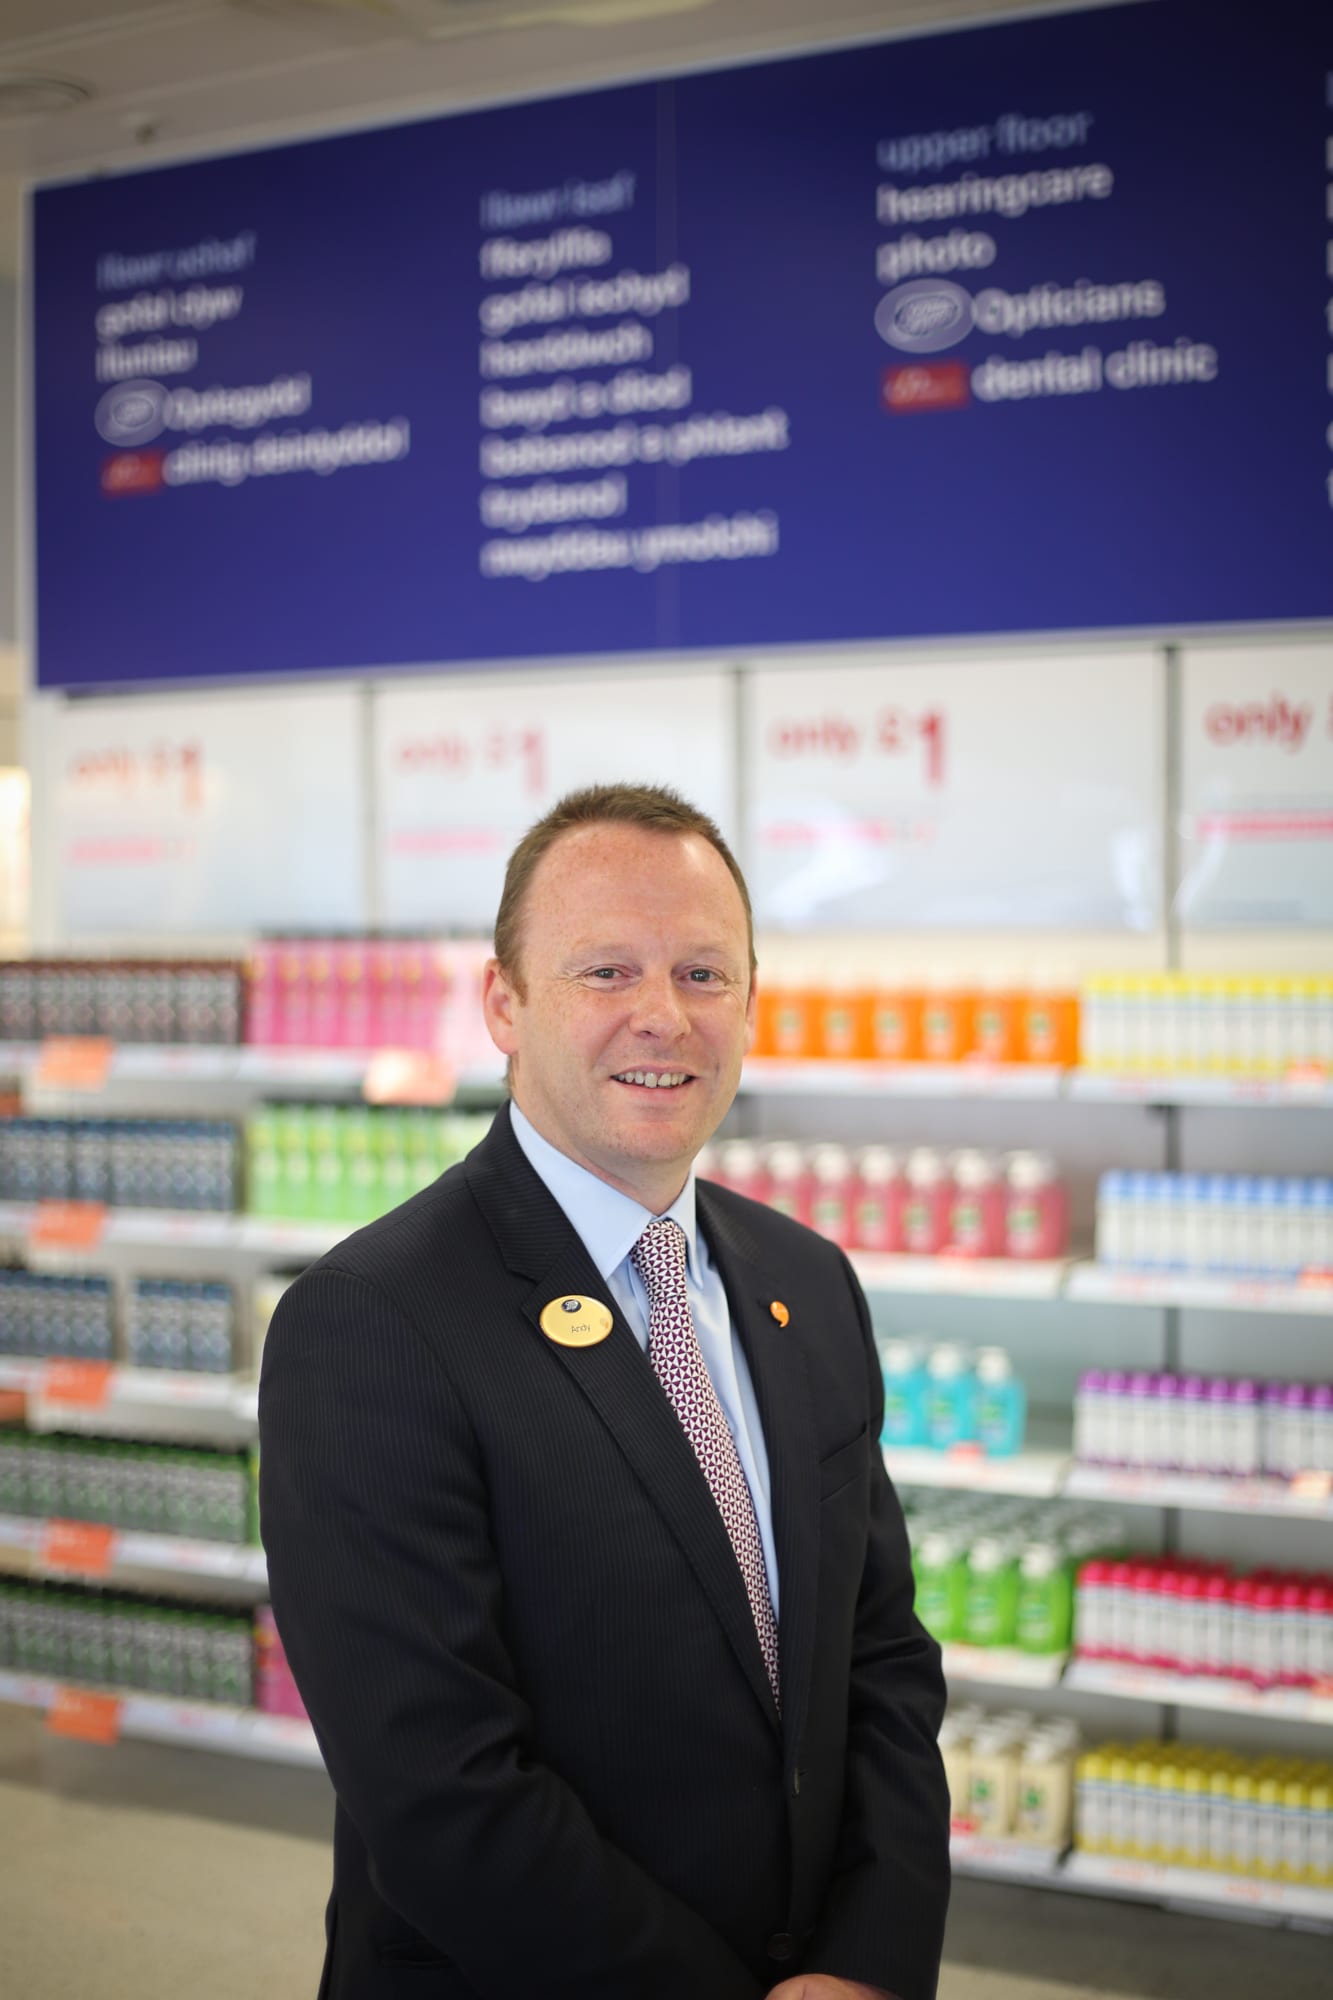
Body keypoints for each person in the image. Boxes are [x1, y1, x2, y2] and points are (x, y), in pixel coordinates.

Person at [259, 782, 950, 2000]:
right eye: (604, 973)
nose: (661, 1017)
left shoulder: (807, 1279)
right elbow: (438, 1789)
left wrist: (871, 1952)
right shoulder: (371, 1321)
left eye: (700, 973)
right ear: (503, 1004)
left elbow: (881, 1652)